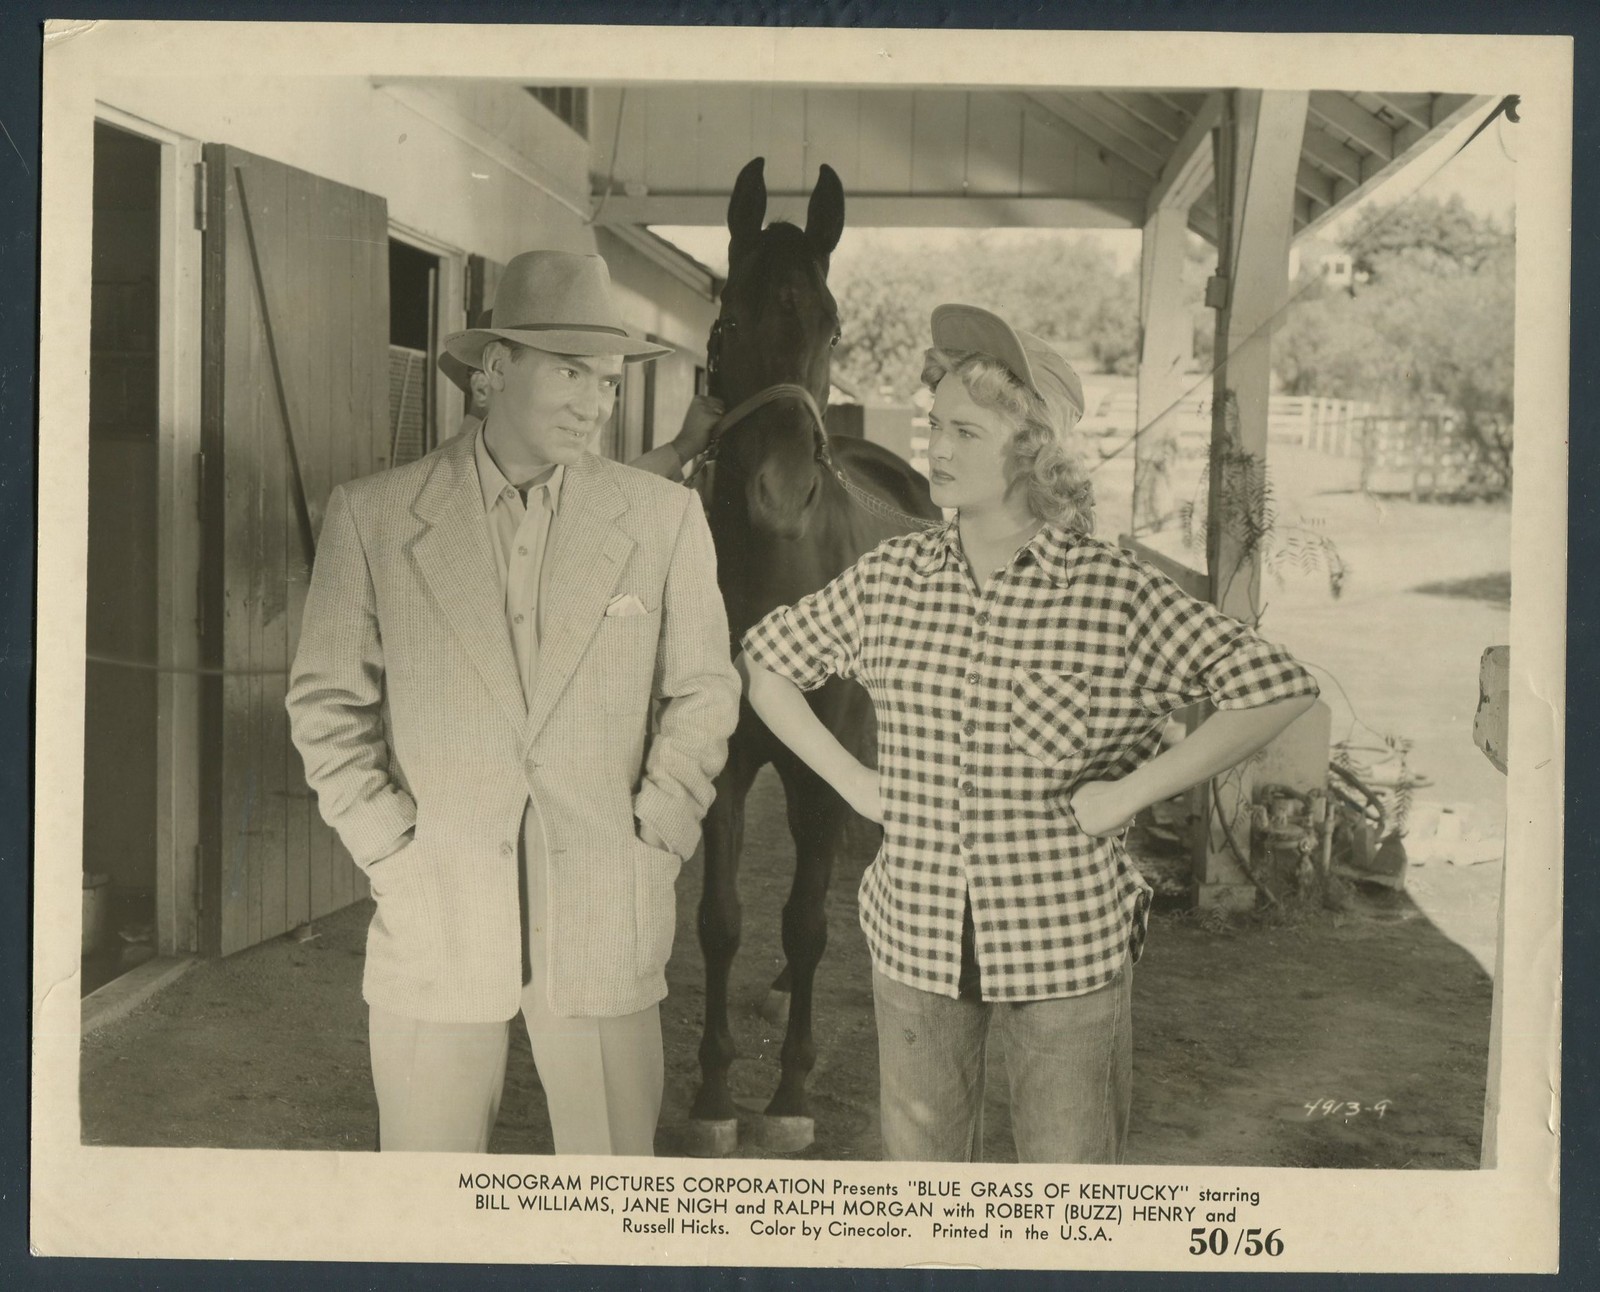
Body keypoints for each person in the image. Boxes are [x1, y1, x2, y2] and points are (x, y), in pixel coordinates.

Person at [737, 304, 1319, 1164]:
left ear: (1033, 449)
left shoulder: (1113, 594)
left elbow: (1277, 688)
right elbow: (766, 662)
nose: (935, 448)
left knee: (1068, 1195)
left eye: (965, 431)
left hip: (1067, 949)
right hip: (914, 941)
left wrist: (1129, 793)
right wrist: (854, 780)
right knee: (923, 1201)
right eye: (935, 424)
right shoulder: (891, 578)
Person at [287, 250, 741, 1155]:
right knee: (429, 1198)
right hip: (438, 908)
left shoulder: (660, 518)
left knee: (614, 1196)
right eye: (571, 373)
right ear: (493, 373)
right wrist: (392, 848)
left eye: (607, 382)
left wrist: (656, 834)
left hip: (607, 901)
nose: (595, 403)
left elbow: (703, 690)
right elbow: (326, 705)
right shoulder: (375, 516)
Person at [439, 308, 724, 475]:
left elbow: (607, 493)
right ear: (489, 378)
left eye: (608, 382)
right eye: (568, 373)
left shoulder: (547, 451)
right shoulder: (453, 467)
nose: (589, 409)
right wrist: (682, 447)